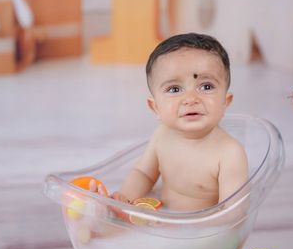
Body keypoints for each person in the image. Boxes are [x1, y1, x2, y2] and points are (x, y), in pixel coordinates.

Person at [92, 33, 248, 212]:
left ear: (225, 102)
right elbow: (143, 174)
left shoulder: (229, 153)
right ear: (156, 107)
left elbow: (233, 213)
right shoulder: (162, 135)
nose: (190, 99)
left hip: (203, 227)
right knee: (100, 218)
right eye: (174, 89)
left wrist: (191, 227)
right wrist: (124, 199)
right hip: (162, 217)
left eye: (206, 86)